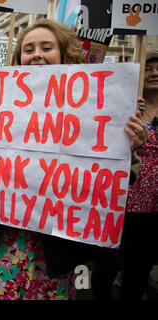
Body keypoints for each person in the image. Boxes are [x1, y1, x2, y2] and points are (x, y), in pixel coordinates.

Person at [0, 19, 148, 300]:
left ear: (64, 53)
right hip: (7, 241)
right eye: (28, 49)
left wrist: (126, 151)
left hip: (56, 247)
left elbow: (111, 179)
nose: (37, 55)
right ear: (19, 58)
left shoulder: (94, 105)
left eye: (47, 47)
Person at [118, 51, 158, 300]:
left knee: (140, 265)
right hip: (125, 197)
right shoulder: (125, 105)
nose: (155, 74)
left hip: (154, 205)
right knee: (109, 262)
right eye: (149, 69)